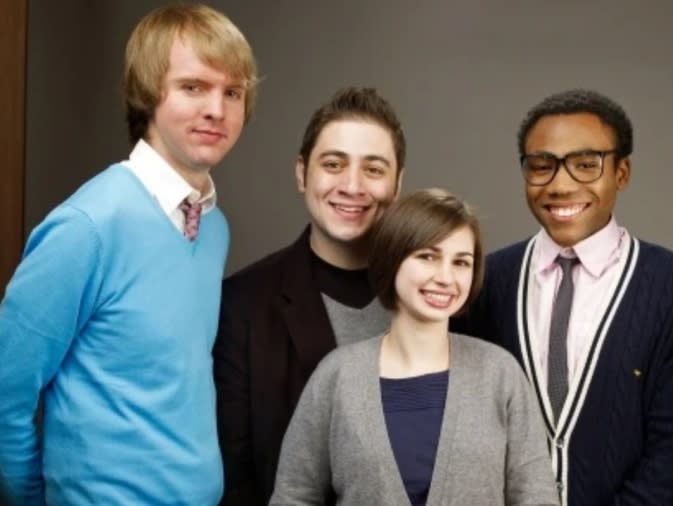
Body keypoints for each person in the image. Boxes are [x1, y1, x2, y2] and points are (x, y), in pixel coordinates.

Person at [0, 4, 257, 504]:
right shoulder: (89, 227)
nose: (217, 109)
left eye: (233, 92)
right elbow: (5, 391)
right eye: (193, 87)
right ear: (148, 94)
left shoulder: (211, 227)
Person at [456, 89, 673, 505]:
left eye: (585, 165)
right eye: (541, 166)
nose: (560, 185)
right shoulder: (485, 281)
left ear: (622, 173)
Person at [269, 188, 559, 505]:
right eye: (427, 257)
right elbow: (293, 494)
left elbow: (536, 496)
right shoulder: (338, 376)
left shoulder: (499, 373)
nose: (446, 277)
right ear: (392, 260)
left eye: (461, 262)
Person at [213, 87, 404, 504]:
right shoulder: (242, 306)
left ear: (397, 182)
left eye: (374, 169)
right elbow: (235, 477)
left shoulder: (441, 301)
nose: (352, 186)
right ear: (302, 174)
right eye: (333, 164)